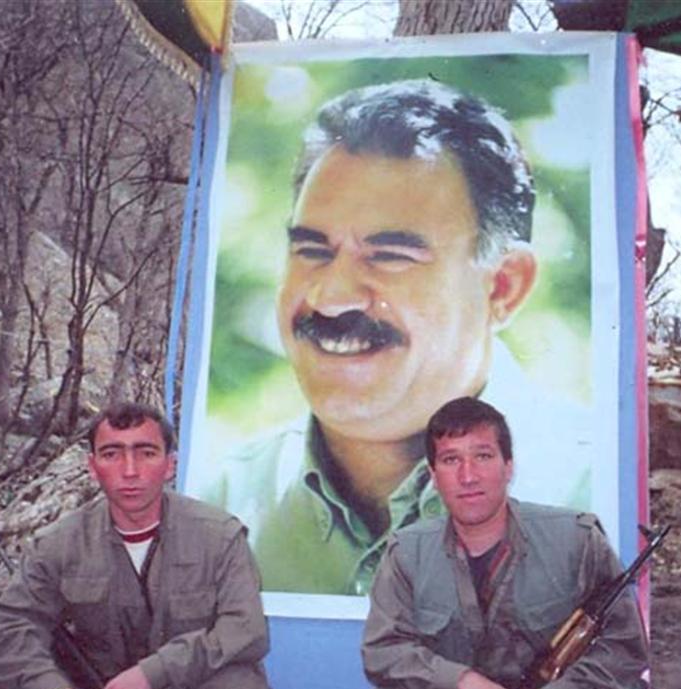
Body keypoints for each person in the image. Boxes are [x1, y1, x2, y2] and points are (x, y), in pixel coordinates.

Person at [205, 78, 591, 595]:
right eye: (313, 251)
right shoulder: (219, 505)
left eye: (390, 255)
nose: (331, 298)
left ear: (503, 287)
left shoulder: (589, 497)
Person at [358, 397, 656, 689]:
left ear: (508, 466)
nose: (468, 476)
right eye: (451, 460)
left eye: (483, 456)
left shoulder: (575, 540)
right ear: (433, 476)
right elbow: (384, 649)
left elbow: (624, 647)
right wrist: (462, 684)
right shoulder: (408, 553)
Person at [0, 403, 271, 689]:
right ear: (92, 466)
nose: (129, 471)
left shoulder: (219, 536)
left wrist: (153, 673)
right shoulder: (59, 543)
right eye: (112, 454)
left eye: (146, 453)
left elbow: (246, 630)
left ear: (170, 465)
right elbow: (6, 627)